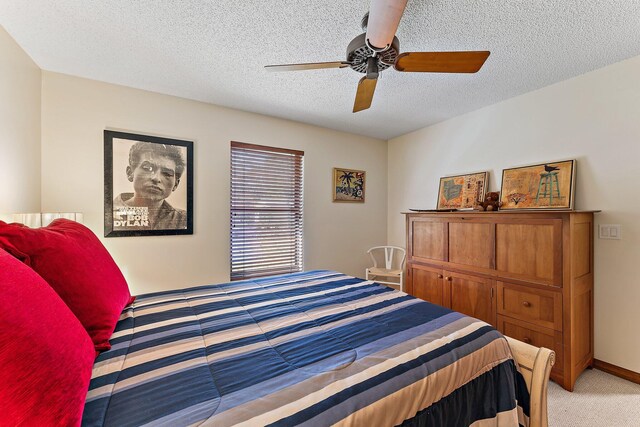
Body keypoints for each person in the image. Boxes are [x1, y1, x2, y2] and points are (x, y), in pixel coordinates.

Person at [113, 142, 187, 230]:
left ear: (176, 184)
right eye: (147, 168)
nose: (156, 178)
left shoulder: (184, 220)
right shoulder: (108, 213)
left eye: (167, 173)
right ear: (130, 173)